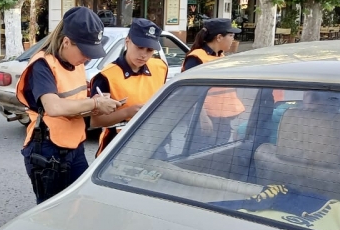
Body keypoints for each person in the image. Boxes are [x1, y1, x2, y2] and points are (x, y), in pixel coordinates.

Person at [16, 6, 121, 204]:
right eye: (85, 51)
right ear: (66, 42)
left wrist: (97, 103)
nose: (88, 58)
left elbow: (77, 102)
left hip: (75, 147)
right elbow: (53, 107)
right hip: (48, 150)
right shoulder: (43, 65)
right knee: (52, 214)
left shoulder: (77, 64)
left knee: (81, 207)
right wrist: (95, 102)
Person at [90, 19, 168, 156]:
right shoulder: (106, 76)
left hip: (155, 145)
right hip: (118, 148)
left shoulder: (160, 67)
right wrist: (127, 113)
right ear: (127, 41)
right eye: (139, 47)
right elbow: (95, 121)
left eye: (150, 50)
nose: (143, 54)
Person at [182, 18, 245, 146]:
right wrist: (203, 118)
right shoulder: (196, 58)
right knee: (200, 159)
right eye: (231, 35)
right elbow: (190, 92)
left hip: (222, 120)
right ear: (219, 37)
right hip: (206, 120)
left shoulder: (220, 56)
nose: (233, 39)